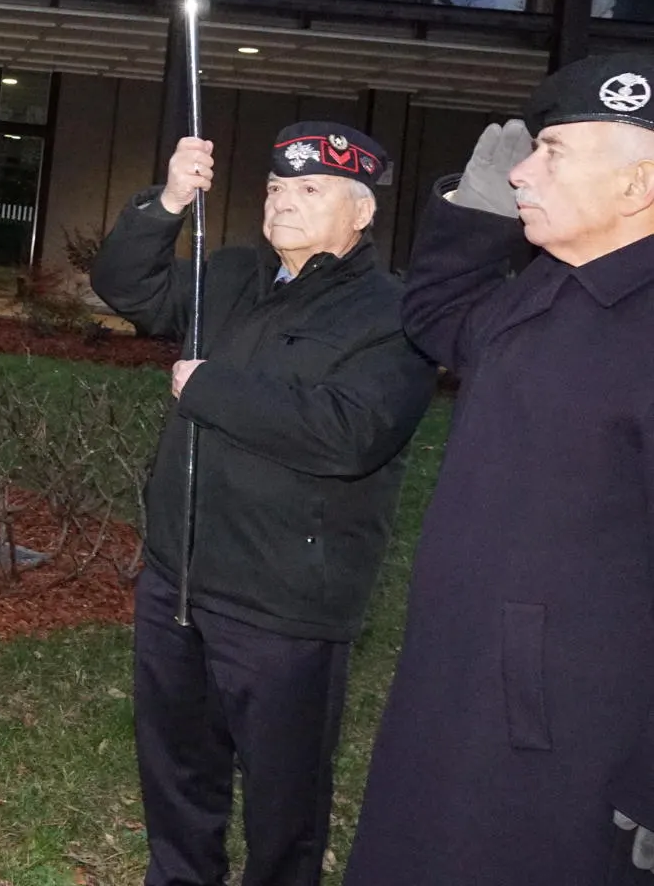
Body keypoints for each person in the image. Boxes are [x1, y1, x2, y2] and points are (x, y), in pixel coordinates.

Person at [91, 123, 437, 886]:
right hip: (179, 576)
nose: (282, 202)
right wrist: (169, 202)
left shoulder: (393, 314)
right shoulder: (236, 272)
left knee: (285, 802)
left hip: (286, 602)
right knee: (178, 774)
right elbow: (128, 288)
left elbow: (352, 434)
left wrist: (210, 388)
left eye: (309, 190)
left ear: (362, 212)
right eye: (277, 188)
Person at [345, 53, 654, 886]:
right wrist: (475, 218)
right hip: (462, 687)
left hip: (577, 748)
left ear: (637, 187)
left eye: (552, 151)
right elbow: (441, 319)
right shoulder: (549, 288)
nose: (521, 169)